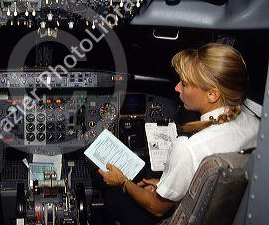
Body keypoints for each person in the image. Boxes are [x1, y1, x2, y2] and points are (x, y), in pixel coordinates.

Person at [99, 43, 260, 225]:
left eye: (184, 83)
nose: (176, 88)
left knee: (113, 196)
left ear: (212, 94)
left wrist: (122, 182)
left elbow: (157, 208)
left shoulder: (189, 148)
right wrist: (165, 185)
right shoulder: (257, 126)